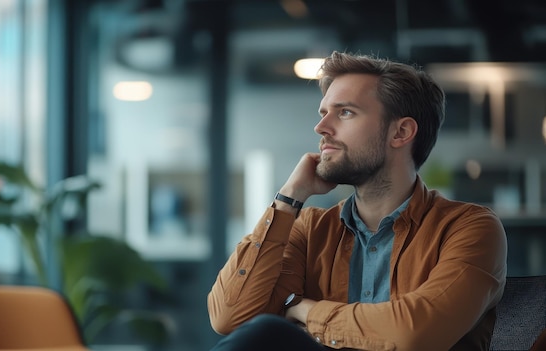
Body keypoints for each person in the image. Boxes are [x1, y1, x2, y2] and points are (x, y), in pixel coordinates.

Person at [207, 51, 507, 351]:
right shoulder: (311, 229)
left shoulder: (470, 228)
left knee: (266, 331)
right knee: (262, 332)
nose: (321, 128)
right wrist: (288, 199)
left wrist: (304, 311)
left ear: (401, 132)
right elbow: (229, 317)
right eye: (323, 113)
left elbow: (414, 335)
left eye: (345, 112)